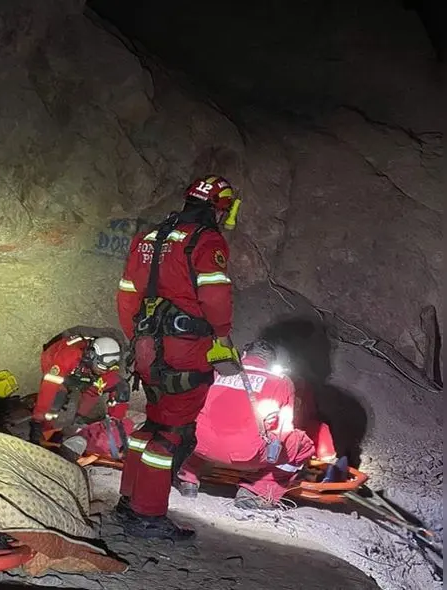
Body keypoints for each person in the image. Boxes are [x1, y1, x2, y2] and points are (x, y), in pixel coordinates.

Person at [115, 175, 242, 541]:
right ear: (220, 207)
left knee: (152, 425)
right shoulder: (207, 240)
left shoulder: (149, 238)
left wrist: (138, 338)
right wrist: (220, 334)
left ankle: (130, 499)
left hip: (146, 347)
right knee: (173, 432)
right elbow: (215, 295)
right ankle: (147, 514)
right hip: (185, 348)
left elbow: (127, 295)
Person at [177, 340, 318, 509]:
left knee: (197, 424)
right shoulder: (281, 382)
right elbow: (284, 428)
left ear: (243, 355)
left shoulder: (217, 371)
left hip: (199, 445)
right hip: (247, 453)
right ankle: (256, 492)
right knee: (302, 445)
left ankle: (187, 479)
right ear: (272, 363)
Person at [28, 333, 131, 449]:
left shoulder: (105, 368)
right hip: (56, 361)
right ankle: (46, 429)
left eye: (106, 369)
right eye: (100, 367)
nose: (102, 371)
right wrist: (37, 421)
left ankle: (110, 428)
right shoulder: (69, 355)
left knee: (121, 388)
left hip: (85, 370)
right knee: (57, 399)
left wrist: (80, 417)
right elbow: (49, 387)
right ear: (91, 356)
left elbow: (98, 389)